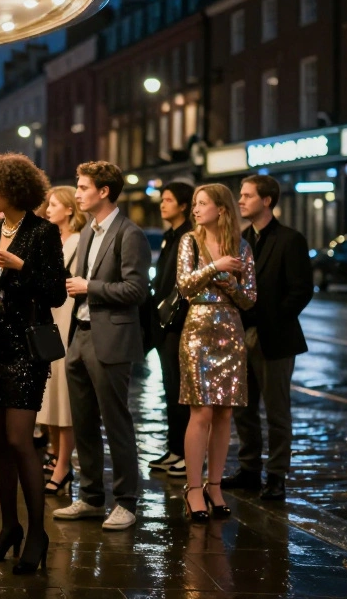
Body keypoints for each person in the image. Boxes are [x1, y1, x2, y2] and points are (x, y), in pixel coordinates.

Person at [0, 154, 66, 575]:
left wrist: (21, 268)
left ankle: (38, 533)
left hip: (26, 351)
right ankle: (9, 528)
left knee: (21, 440)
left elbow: (57, 293)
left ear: (16, 189)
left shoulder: (43, 233)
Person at [52, 161, 150, 532]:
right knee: (83, 421)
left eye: (83, 187)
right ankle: (91, 497)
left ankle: (126, 501)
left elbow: (137, 290)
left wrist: (88, 288)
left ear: (104, 191)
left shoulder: (129, 233)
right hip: (81, 333)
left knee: (116, 421)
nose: (76, 193)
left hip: (112, 338)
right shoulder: (91, 232)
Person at [223, 175, 313, 502]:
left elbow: (301, 291)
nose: (241, 201)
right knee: (243, 410)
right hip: (240, 336)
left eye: (247, 196)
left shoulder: (290, 240)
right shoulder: (240, 239)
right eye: (240, 195)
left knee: (277, 412)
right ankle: (249, 469)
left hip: (275, 338)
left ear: (267, 201)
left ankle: (276, 476)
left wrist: (268, 321)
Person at [177, 184, 256, 522]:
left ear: (221, 209)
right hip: (197, 331)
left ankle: (215, 484)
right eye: (195, 203)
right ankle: (193, 488)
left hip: (230, 331)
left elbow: (250, 298)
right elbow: (183, 286)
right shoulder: (189, 242)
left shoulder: (242, 246)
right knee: (202, 412)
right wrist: (214, 267)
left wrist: (232, 284)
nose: (196, 209)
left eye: (202, 203)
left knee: (225, 413)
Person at [39, 186, 85, 494]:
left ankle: (64, 463)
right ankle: (55, 454)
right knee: (49, 395)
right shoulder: (49, 238)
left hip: (68, 316)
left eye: (54, 204)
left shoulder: (80, 240)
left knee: (65, 397)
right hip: (49, 318)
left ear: (69, 209)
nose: (47, 209)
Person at [147, 181, 194, 479]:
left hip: (177, 323)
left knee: (180, 391)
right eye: (162, 199)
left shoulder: (188, 237)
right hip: (163, 323)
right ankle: (175, 449)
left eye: (168, 200)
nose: (163, 204)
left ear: (183, 205)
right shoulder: (170, 236)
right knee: (170, 389)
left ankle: (185, 454)